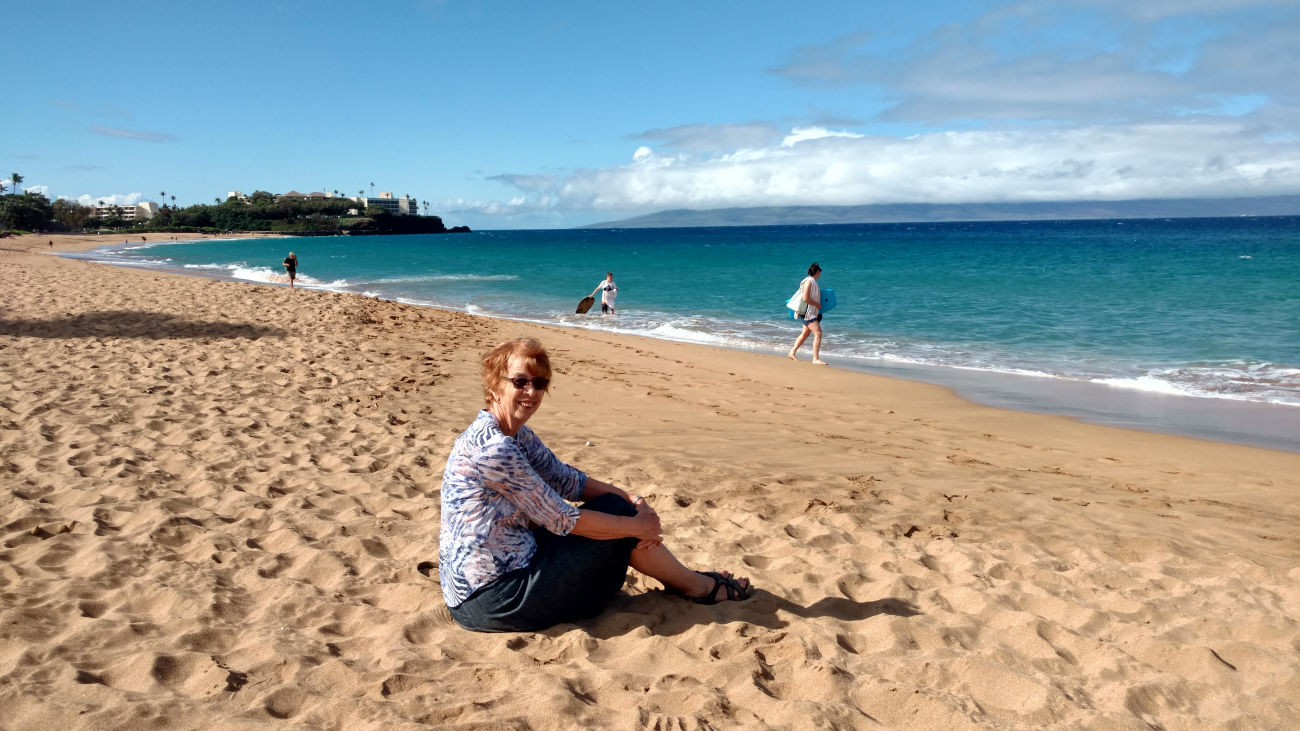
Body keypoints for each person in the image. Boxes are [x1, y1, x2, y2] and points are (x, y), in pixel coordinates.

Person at [438, 337, 752, 632]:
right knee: (620, 527)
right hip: (491, 598)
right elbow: (562, 518)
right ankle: (696, 586)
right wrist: (636, 527)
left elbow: (565, 479)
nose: (531, 392)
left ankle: (683, 579)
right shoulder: (495, 448)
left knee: (618, 510)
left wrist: (632, 499)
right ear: (494, 388)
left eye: (540, 383)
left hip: (493, 575)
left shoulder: (515, 434)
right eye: (520, 382)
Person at [787, 262, 826, 365]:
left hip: (810, 312)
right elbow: (806, 298)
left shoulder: (812, 281)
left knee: (804, 334)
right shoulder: (809, 281)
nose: (820, 273)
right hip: (809, 313)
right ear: (817, 271)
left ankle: (792, 352)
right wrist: (817, 305)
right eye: (820, 271)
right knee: (818, 333)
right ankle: (816, 359)